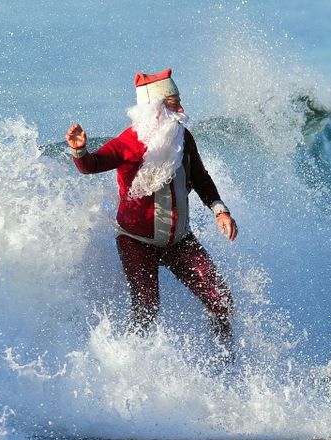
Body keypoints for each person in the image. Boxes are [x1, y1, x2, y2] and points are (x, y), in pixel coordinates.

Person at [65, 68, 238, 341]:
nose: (180, 108)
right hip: (136, 241)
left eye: (179, 101)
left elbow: (200, 178)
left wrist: (220, 210)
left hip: (179, 242)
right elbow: (92, 165)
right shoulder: (128, 142)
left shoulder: (183, 137)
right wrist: (80, 151)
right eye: (172, 104)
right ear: (154, 109)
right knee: (146, 308)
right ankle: (130, 363)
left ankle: (225, 364)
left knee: (222, 302)